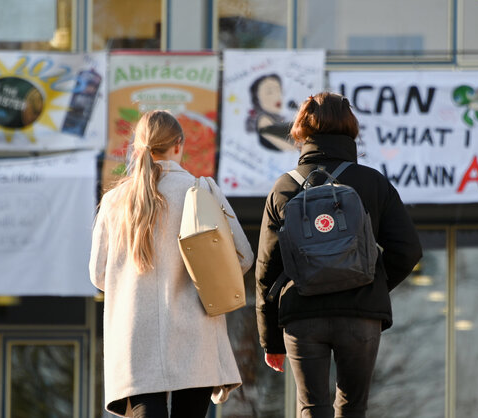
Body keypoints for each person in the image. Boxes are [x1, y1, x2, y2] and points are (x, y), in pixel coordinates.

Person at [255, 92, 423, 417]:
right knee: (353, 408)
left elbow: (266, 269)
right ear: (351, 127)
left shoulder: (284, 187)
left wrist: (271, 341)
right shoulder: (373, 182)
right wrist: (368, 282)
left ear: (301, 130)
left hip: (302, 315)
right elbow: (407, 249)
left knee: (311, 407)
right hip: (360, 314)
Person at [90, 110, 254, 418]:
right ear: (179, 144)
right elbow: (243, 257)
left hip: (135, 337)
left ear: (137, 147)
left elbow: (98, 275)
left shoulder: (114, 201)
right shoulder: (200, 190)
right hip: (196, 335)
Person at [245, 73, 296, 152]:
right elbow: (290, 147)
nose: (277, 96)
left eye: (278, 90)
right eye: (269, 92)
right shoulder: (263, 120)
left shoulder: (280, 119)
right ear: (257, 99)